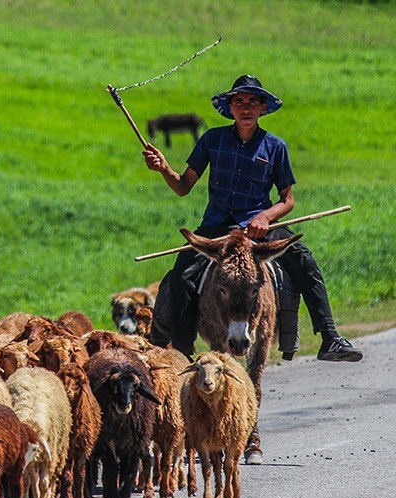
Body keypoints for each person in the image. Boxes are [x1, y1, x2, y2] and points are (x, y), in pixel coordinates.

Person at [142, 74, 362, 363]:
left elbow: (287, 200)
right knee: (180, 276)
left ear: (263, 108)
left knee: (305, 263)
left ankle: (330, 338)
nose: (245, 108)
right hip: (216, 228)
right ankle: (180, 351)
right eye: (239, 102)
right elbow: (183, 186)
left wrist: (264, 217)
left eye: (252, 102)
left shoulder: (275, 146)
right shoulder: (212, 140)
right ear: (230, 108)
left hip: (260, 229)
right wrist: (163, 168)